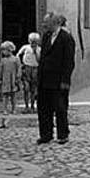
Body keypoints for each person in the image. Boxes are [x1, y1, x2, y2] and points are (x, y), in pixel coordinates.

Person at [37, 12, 76, 145]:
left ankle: (63, 135)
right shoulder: (46, 36)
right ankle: (46, 135)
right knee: (43, 109)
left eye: (46, 22)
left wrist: (65, 81)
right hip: (44, 80)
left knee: (60, 108)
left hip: (58, 80)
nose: (44, 24)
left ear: (55, 23)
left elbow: (69, 62)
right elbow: (43, 57)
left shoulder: (66, 38)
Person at [17, 32, 41, 112]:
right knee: (26, 88)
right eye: (31, 41)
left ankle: (33, 106)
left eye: (35, 42)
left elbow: (39, 60)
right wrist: (20, 64)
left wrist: (35, 52)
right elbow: (18, 55)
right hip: (26, 68)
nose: (33, 44)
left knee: (33, 89)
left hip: (35, 69)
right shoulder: (25, 47)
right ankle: (26, 106)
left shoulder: (39, 49)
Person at [0, 40, 20, 114]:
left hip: (13, 79)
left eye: (4, 50)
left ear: (9, 50)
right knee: (5, 95)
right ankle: (5, 109)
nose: (3, 52)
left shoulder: (16, 59)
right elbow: (0, 70)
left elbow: (18, 68)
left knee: (13, 95)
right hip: (5, 79)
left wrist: (18, 77)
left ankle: (14, 109)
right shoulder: (3, 60)